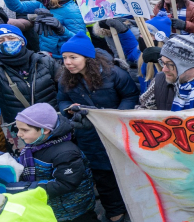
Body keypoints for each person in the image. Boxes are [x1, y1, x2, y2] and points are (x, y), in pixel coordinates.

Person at [56, 32, 138, 222]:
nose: (67, 62)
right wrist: (68, 110)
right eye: (65, 58)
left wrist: (116, 117)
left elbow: (131, 95)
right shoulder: (65, 78)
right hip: (89, 136)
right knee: (103, 177)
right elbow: (62, 100)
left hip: (118, 132)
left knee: (127, 173)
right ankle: (115, 213)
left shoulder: (114, 73)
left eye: (73, 57)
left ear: (88, 58)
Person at [6, 104, 97, 222]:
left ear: (46, 129)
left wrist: (27, 188)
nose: (18, 134)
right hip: (54, 208)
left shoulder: (66, 152)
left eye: (24, 130)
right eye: (18, 129)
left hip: (73, 212)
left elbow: (65, 184)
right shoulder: (34, 145)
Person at [1, 0, 85, 59]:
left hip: (63, 58)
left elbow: (81, 40)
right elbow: (17, 6)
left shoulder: (71, 10)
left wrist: (62, 30)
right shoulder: (44, 3)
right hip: (46, 55)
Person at [0, 25, 59, 154]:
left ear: (22, 42)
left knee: (59, 159)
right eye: (1, 41)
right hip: (17, 132)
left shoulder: (44, 61)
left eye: (10, 38)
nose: (6, 43)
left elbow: (65, 89)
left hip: (51, 126)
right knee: (24, 167)